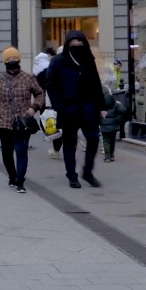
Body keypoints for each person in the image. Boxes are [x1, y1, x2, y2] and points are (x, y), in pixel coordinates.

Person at [45, 31, 105, 189]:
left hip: (88, 107)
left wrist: (101, 105)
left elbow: (96, 82)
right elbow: (50, 84)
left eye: (80, 43)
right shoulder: (58, 61)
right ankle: (72, 175)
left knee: (93, 139)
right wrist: (58, 105)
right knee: (69, 143)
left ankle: (88, 171)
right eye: (74, 44)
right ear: (68, 45)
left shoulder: (88, 60)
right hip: (68, 108)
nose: (77, 46)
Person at [0, 47, 45, 193]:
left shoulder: (28, 78)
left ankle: (20, 180)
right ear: (5, 62)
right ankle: (12, 176)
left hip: (23, 121)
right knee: (7, 152)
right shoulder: (0, 78)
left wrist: (33, 108)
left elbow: (40, 94)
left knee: (21, 151)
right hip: (3, 120)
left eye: (14, 59)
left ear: (19, 61)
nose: (12, 62)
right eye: (9, 60)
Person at [34, 41, 64, 159]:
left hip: (50, 101)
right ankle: (58, 149)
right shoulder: (52, 67)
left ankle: (56, 149)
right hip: (56, 101)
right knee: (60, 126)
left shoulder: (45, 66)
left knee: (54, 125)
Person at [98, 88, 130, 162]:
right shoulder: (114, 102)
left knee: (106, 140)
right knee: (112, 140)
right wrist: (118, 118)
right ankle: (112, 155)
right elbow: (123, 110)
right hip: (113, 125)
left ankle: (107, 156)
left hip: (104, 125)